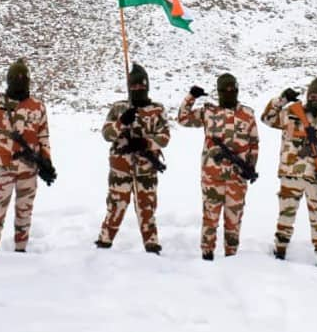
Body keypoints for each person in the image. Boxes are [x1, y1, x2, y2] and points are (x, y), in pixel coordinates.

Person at [0, 59, 54, 253]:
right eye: (15, 77)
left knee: (24, 214)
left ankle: (20, 252)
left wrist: (47, 162)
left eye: (23, 77)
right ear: (8, 80)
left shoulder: (37, 106)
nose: (19, 80)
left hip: (29, 168)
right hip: (3, 167)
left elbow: (43, 136)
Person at [262, 78, 317, 267]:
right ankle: (280, 249)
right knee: (285, 216)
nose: (316, 99)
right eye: (313, 95)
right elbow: (267, 118)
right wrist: (282, 99)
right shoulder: (291, 113)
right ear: (308, 96)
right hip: (291, 173)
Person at [177, 73, 259, 260]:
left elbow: (254, 143)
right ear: (219, 91)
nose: (229, 93)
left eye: (232, 89)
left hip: (237, 178)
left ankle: (231, 257)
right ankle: (207, 254)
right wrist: (191, 97)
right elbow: (182, 119)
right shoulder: (209, 112)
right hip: (212, 176)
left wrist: (250, 167)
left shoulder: (247, 114)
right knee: (210, 218)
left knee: (234, 220)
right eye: (225, 90)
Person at [95, 63, 170, 254]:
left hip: (146, 167)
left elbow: (165, 137)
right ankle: (104, 241)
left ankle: (151, 243)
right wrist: (122, 123)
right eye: (134, 86)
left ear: (147, 86)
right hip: (121, 167)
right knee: (115, 205)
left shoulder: (157, 110)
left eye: (141, 85)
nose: (138, 89)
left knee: (147, 206)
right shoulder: (119, 108)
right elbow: (106, 134)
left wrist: (146, 143)